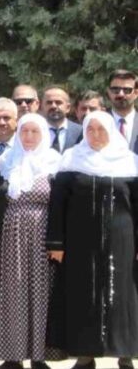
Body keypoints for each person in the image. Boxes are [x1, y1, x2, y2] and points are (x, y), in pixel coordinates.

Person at [47, 111, 138, 365]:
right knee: (82, 294)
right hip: (79, 243)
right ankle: (85, 354)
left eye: (101, 129)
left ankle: (125, 354)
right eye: (90, 129)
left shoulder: (129, 163)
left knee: (121, 295)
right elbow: (58, 206)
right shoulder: (71, 161)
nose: (96, 135)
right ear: (84, 132)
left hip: (122, 241)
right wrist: (56, 243)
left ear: (112, 131)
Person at [0, 113, 58, 369]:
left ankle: (39, 356)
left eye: (35, 132)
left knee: (40, 296)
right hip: (8, 241)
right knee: (12, 295)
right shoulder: (3, 164)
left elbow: (62, 207)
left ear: (44, 135)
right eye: (24, 131)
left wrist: (59, 243)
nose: (28, 137)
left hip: (42, 242)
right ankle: (12, 356)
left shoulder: (55, 164)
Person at [41, 87, 82, 152]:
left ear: (68, 108)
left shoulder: (80, 132)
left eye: (58, 102)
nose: (53, 106)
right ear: (42, 107)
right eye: (49, 102)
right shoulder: (35, 131)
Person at [106, 69, 137, 152]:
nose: (121, 94)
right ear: (109, 92)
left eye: (127, 90)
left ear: (136, 93)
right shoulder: (97, 123)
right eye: (115, 90)